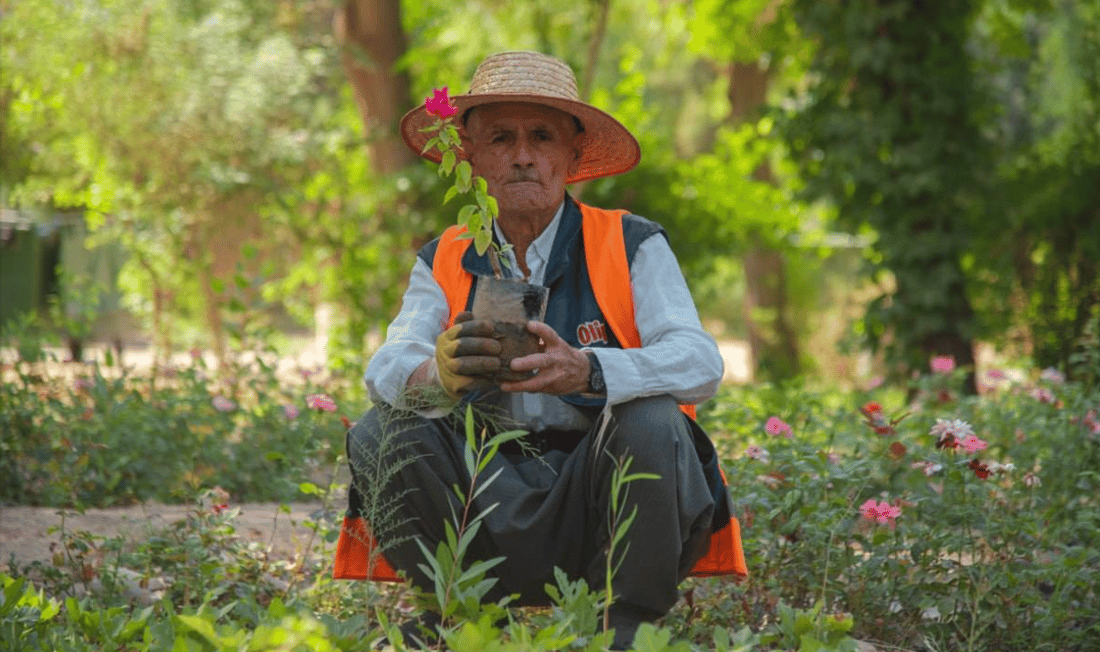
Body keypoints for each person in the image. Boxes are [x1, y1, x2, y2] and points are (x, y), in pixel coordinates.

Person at [334, 51, 746, 649]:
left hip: (600, 505)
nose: (523, 155)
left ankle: (626, 628)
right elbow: (387, 368)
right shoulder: (445, 256)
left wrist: (589, 370)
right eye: (501, 137)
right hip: (482, 501)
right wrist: (438, 374)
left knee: (653, 418)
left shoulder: (631, 243)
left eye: (542, 137)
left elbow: (701, 363)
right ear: (470, 155)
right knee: (382, 430)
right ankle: (463, 618)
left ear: (573, 156)